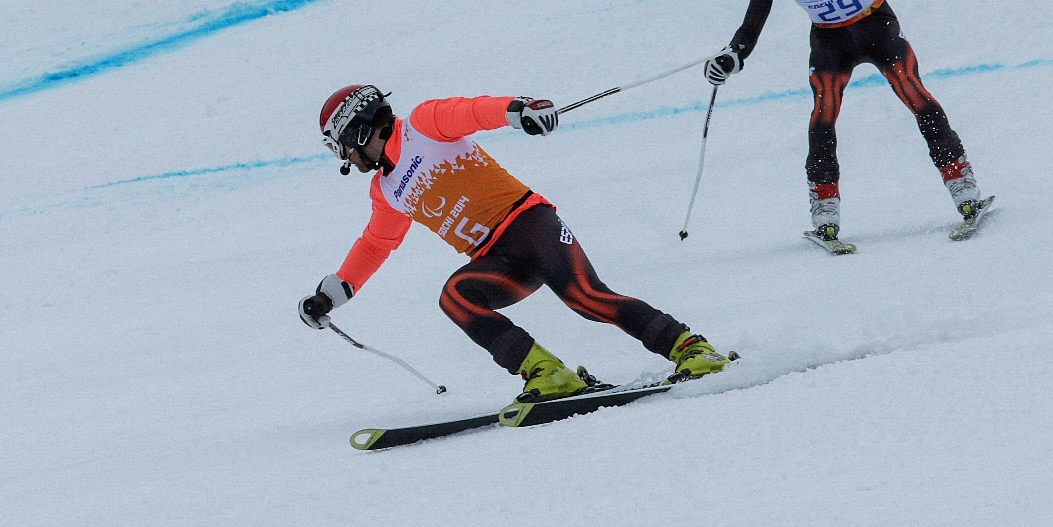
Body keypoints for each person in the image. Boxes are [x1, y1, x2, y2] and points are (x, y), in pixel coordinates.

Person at [297, 85, 731, 399]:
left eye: (341, 147)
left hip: (529, 224)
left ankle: (690, 347)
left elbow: (470, 112)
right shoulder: (386, 188)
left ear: (355, 130)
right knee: (457, 297)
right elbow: (376, 244)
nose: (345, 158)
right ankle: (548, 373)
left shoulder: (422, 126)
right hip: (497, 258)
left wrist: (518, 110)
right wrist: (333, 293)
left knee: (585, 296)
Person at [704, 0, 984, 251]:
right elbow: (749, 28)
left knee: (913, 91)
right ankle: (824, 211)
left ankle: (961, 182)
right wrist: (731, 58)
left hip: (876, 26)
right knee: (824, 112)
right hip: (829, 40)